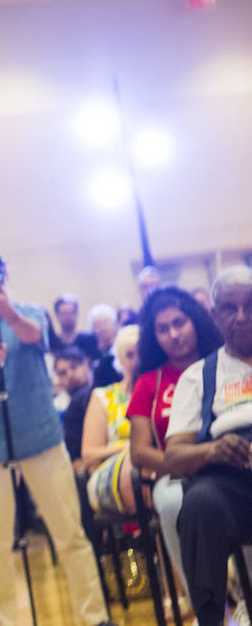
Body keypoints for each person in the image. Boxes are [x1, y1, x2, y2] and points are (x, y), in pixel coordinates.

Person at [0, 246, 113, 626]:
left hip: (40, 437)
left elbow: (37, 336)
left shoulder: (31, 312)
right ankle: (4, 621)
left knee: (70, 533)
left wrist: (5, 311)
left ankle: (94, 617)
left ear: (3, 273)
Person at [163, 267, 252, 626]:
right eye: (230, 308)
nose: (243, 317)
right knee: (199, 504)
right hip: (232, 484)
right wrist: (212, 451)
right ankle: (213, 619)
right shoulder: (198, 376)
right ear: (215, 316)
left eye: (250, 305)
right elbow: (173, 457)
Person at [126, 285, 223, 607]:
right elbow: (139, 452)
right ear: (154, 336)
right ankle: (207, 606)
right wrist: (189, 461)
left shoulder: (225, 364)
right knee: (170, 504)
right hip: (174, 475)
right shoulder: (148, 383)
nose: (173, 334)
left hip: (230, 464)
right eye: (162, 329)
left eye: (179, 323)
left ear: (195, 321)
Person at [81, 325, 140, 512]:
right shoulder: (103, 397)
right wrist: (128, 448)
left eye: (141, 354)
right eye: (130, 355)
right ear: (120, 360)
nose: (137, 361)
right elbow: (89, 455)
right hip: (113, 473)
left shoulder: (159, 390)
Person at [54, 347, 94, 469]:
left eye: (74, 367)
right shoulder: (57, 408)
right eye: (63, 373)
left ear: (86, 364)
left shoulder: (105, 389)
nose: (70, 375)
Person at [49, 295, 99, 360]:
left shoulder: (90, 340)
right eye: (64, 313)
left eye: (71, 313)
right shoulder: (53, 343)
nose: (68, 317)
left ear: (77, 314)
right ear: (57, 315)